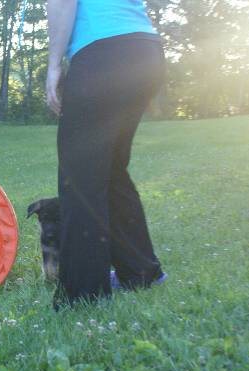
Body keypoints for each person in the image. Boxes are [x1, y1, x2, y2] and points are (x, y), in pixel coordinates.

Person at [46, 0, 168, 309]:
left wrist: (54, 66)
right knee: (111, 169)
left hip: (104, 55)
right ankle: (141, 272)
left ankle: (84, 293)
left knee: (80, 174)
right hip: (145, 52)